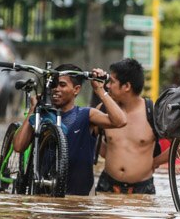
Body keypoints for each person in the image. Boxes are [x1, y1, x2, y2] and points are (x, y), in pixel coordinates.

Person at [13, 63, 126, 195]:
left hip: (79, 199)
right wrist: (33, 110)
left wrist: (100, 90)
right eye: (54, 85)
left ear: (76, 90)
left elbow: (120, 121)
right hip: (42, 198)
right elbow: (19, 146)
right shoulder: (41, 116)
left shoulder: (86, 115)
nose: (56, 89)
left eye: (62, 85)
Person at [96, 58, 166, 195]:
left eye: (112, 82)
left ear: (126, 86)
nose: (108, 86)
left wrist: (153, 162)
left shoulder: (152, 112)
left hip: (142, 189)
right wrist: (112, 153)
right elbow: (89, 137)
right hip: (107, 185)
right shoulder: (104, 109)